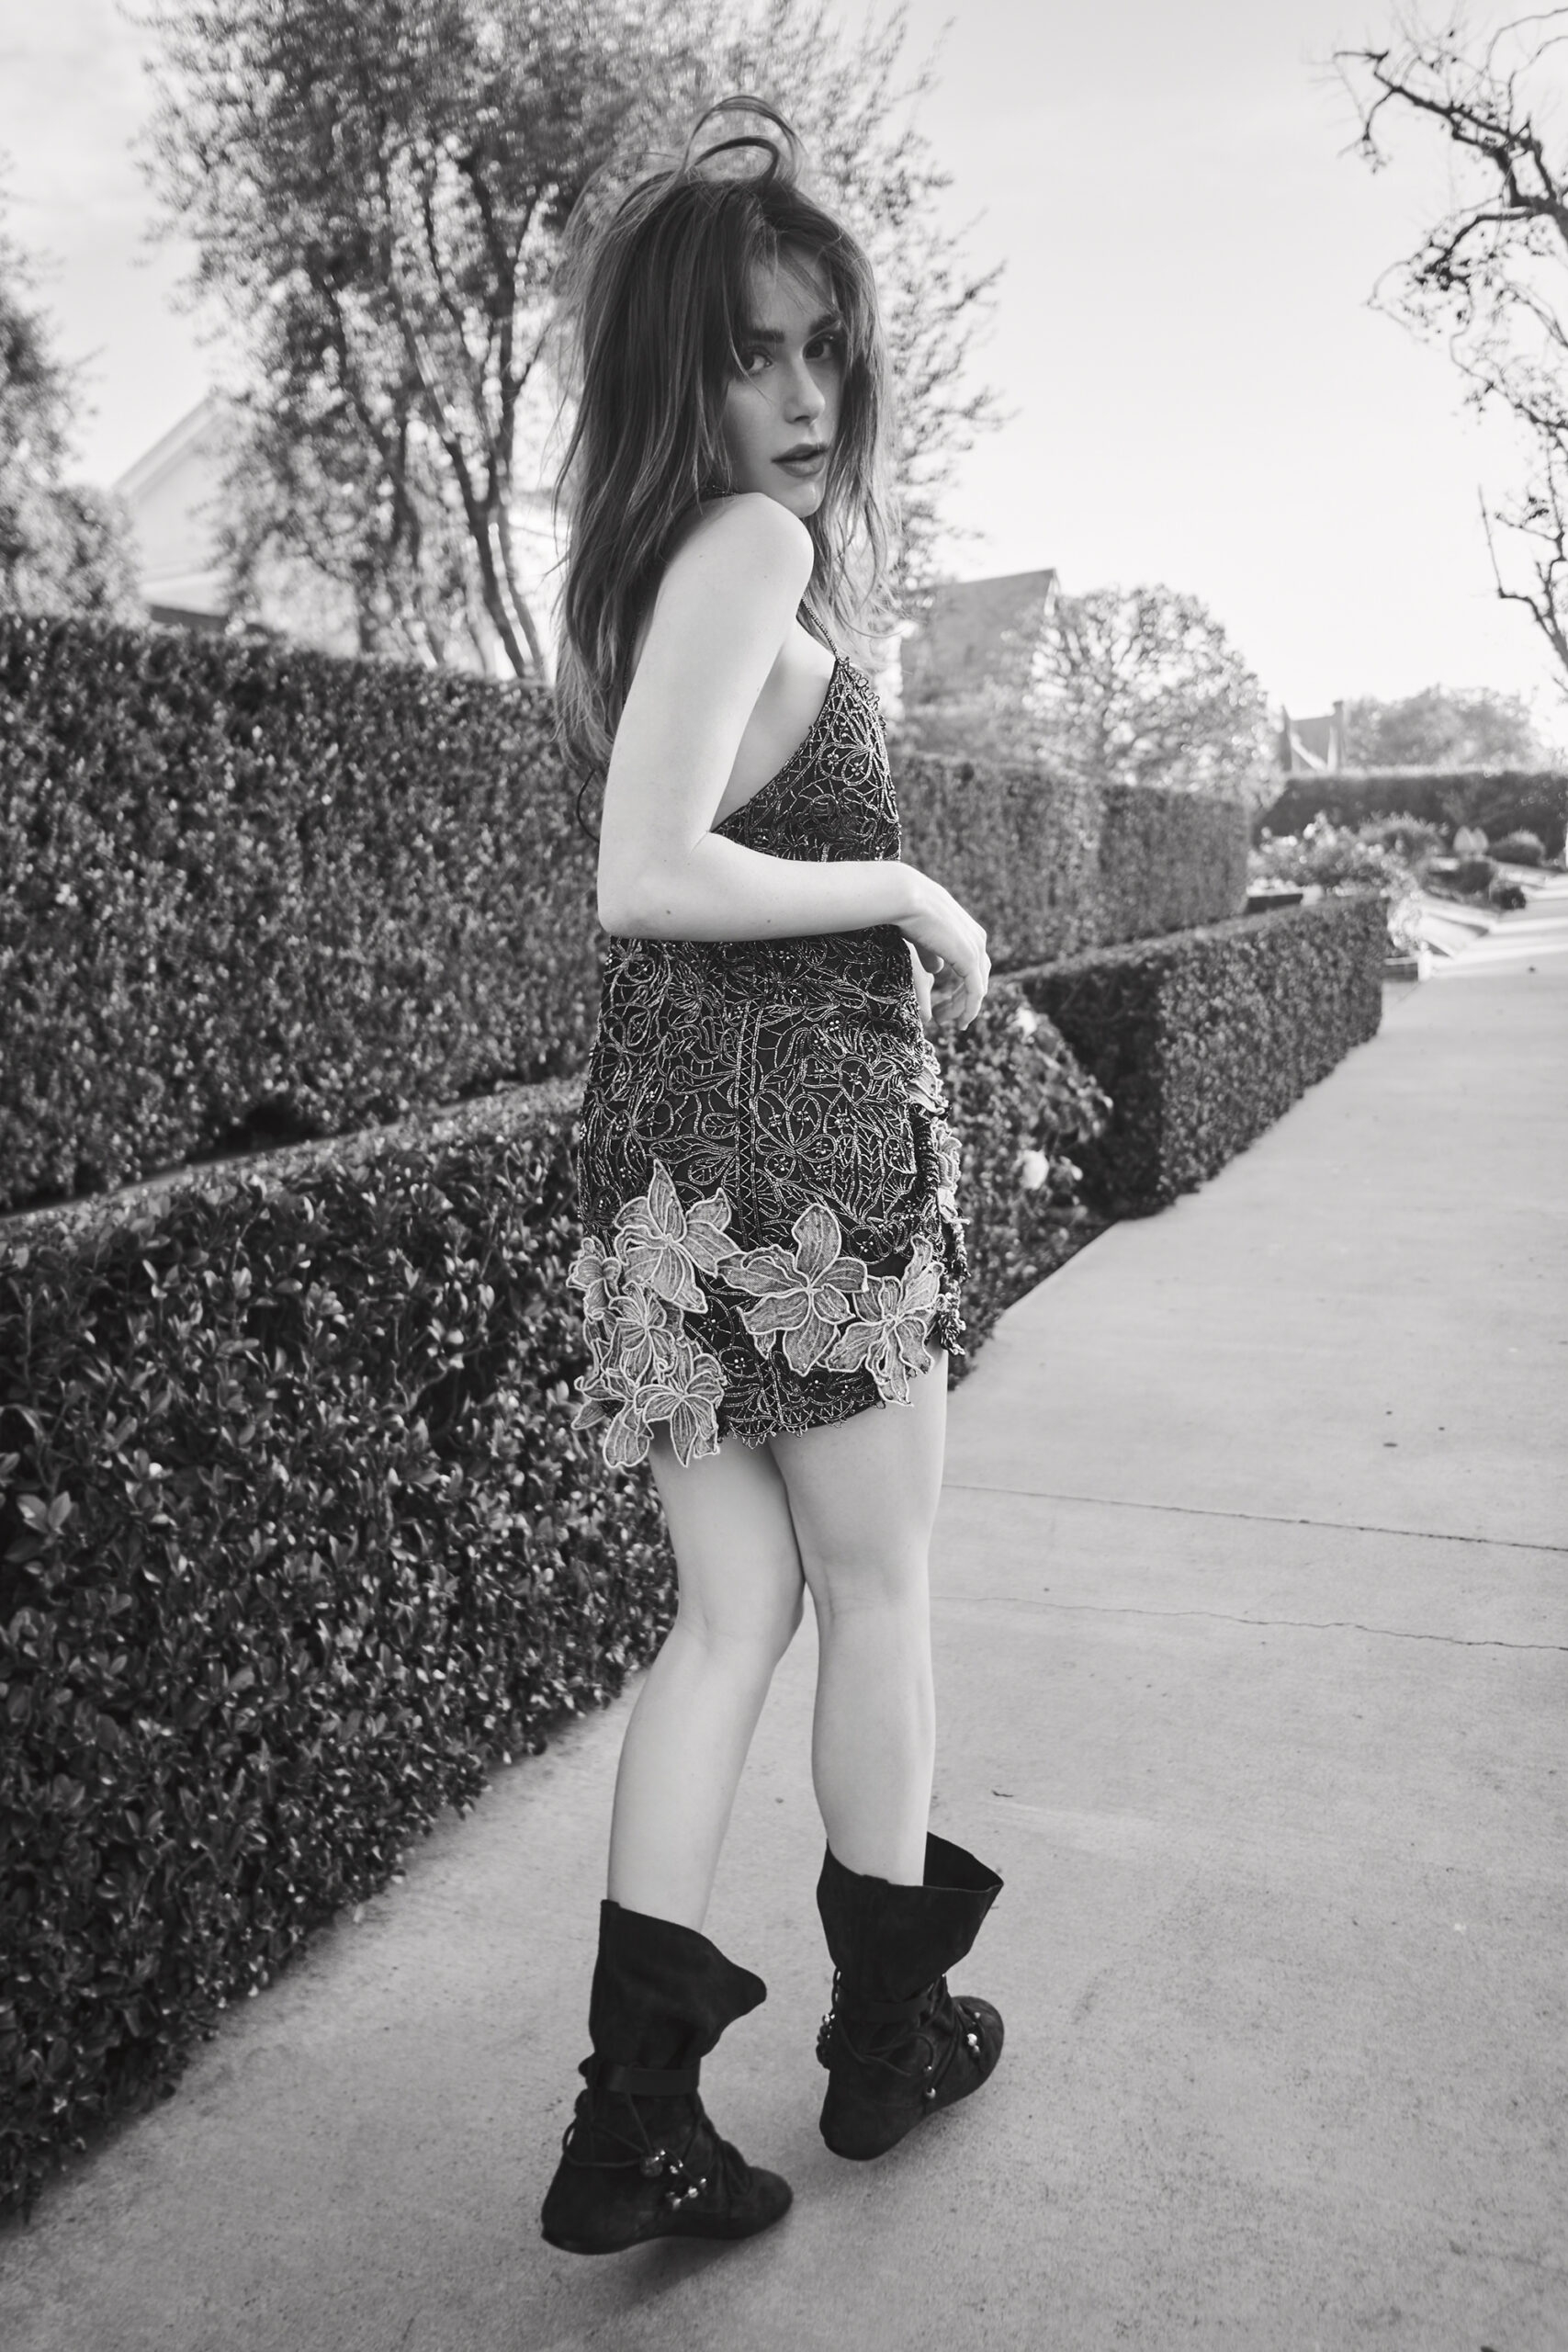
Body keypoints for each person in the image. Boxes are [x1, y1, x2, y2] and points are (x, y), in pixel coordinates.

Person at [538, 95, 1004, 2259]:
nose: (802, 396)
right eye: (750, 352)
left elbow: (652, 861)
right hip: (808, 1171)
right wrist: (901, 882)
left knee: (728, 1616)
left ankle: (629, 2118)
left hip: (661, 1173)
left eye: (823, 345)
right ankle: (885, 2036)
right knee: (874, 1594)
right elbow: (648, 873)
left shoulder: (649, 572)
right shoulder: (744, 549)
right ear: (679, 372)